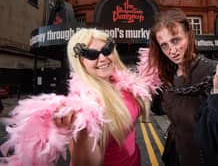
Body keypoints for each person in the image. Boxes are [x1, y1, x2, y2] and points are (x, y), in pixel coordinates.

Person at [0, 28, 158, 166]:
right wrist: (81, 132)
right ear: (80, 62)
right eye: (91, 54)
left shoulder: (122, 82)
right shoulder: (86, 103)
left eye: (107, 49)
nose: (102, 58)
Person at [147, 9, 218, 166]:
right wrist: (147, 87)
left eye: (176, 40)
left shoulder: (214, 71)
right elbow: (159, 109)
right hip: (176, 158)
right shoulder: (167, 75)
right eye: (164, 45)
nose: (171, 50)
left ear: (190, 36)